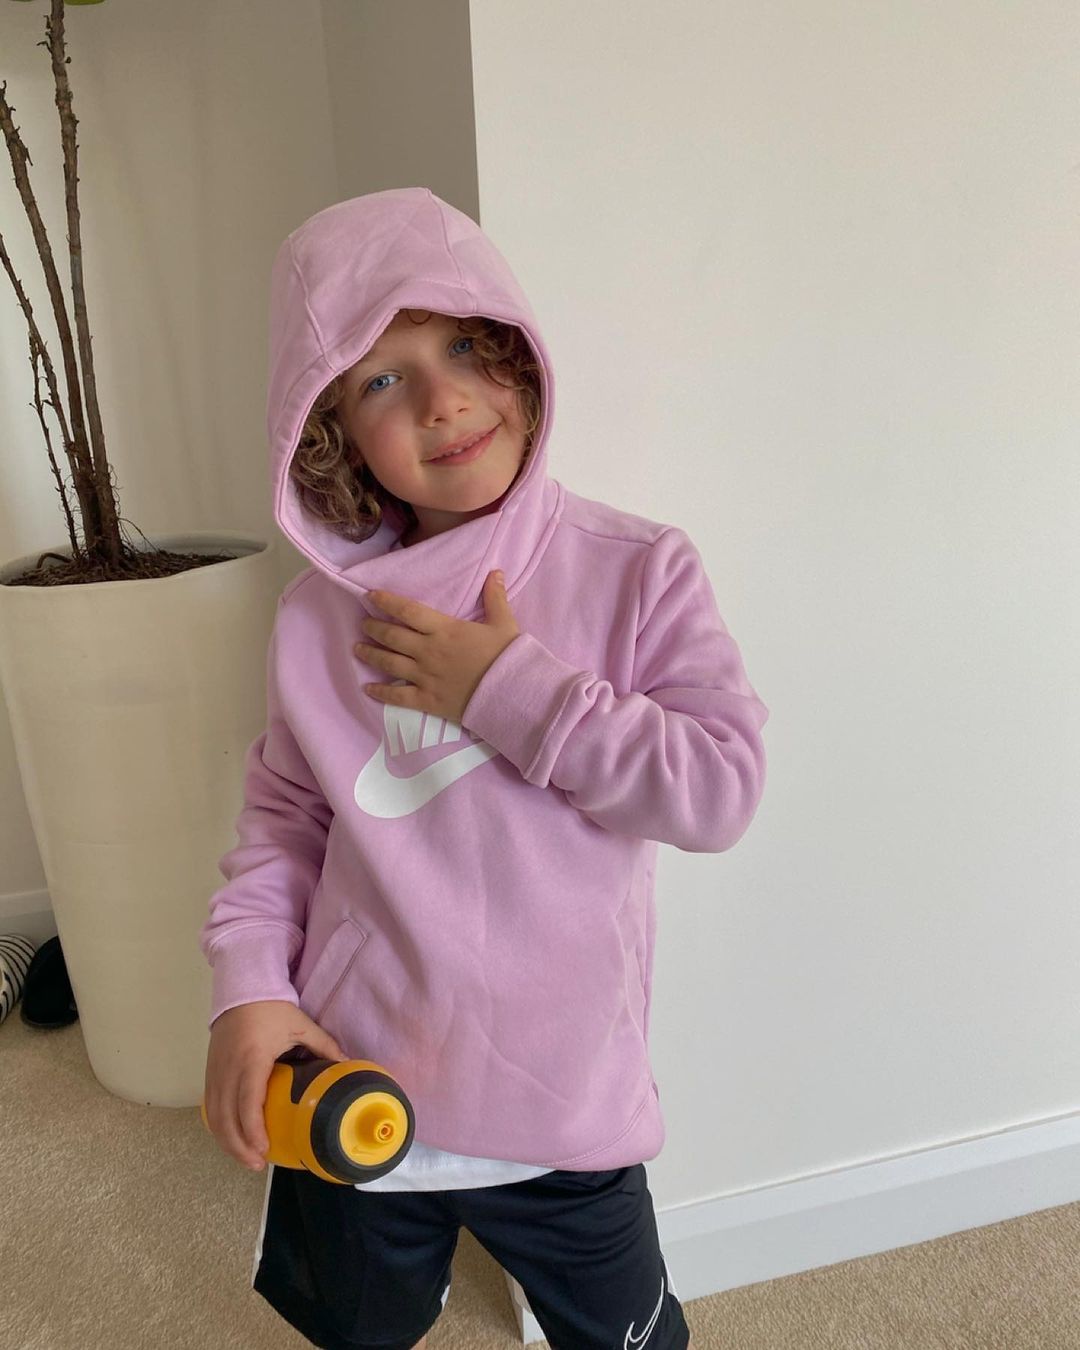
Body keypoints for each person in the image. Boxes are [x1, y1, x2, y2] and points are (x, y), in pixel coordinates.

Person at [199, 186, 768, 1350]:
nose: (443, 398)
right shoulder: (315, 623)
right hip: (353, 1087)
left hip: (568, 1112)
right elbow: (285, 823)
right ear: (329, 431)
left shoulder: (638, 570)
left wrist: (509, 690)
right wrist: (250, 987)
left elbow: (718, 789)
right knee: (357, 1330)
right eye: (381, 379)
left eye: (462, 347)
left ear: (515, 350)